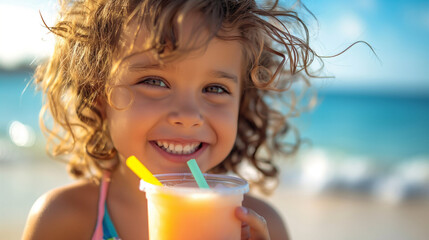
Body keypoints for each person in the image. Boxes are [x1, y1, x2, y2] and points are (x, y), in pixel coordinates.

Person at [22, 0, 323, 239]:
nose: (189, 116)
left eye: (215, 89)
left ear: (241, 105)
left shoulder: (260, 228)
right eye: (154, 81)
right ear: (99, 97)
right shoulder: (64, 220)